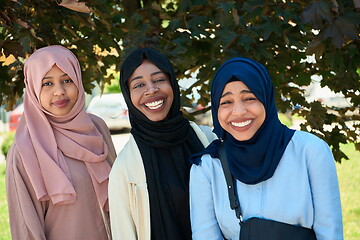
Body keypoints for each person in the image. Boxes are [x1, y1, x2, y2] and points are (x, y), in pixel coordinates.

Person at [189, 57, 343, 240]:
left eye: (249, 98)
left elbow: (330, 233)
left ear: (266, 98)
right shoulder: (207, 168)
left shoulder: (310, 151)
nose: (238, 111)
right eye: (226, 102)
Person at [6, 45, 116, 240]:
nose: (59, 91)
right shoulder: (25, 150)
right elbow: (27, 228)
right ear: (32, 89)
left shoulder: (97, 127)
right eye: (47, 84)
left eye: (67, 80)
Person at [108, 48, 216, 240]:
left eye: (159, 80)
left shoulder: (208, 140)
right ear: (128, 95)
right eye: (139, 85)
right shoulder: (125, 168)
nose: (151, 90)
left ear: (172, 83)